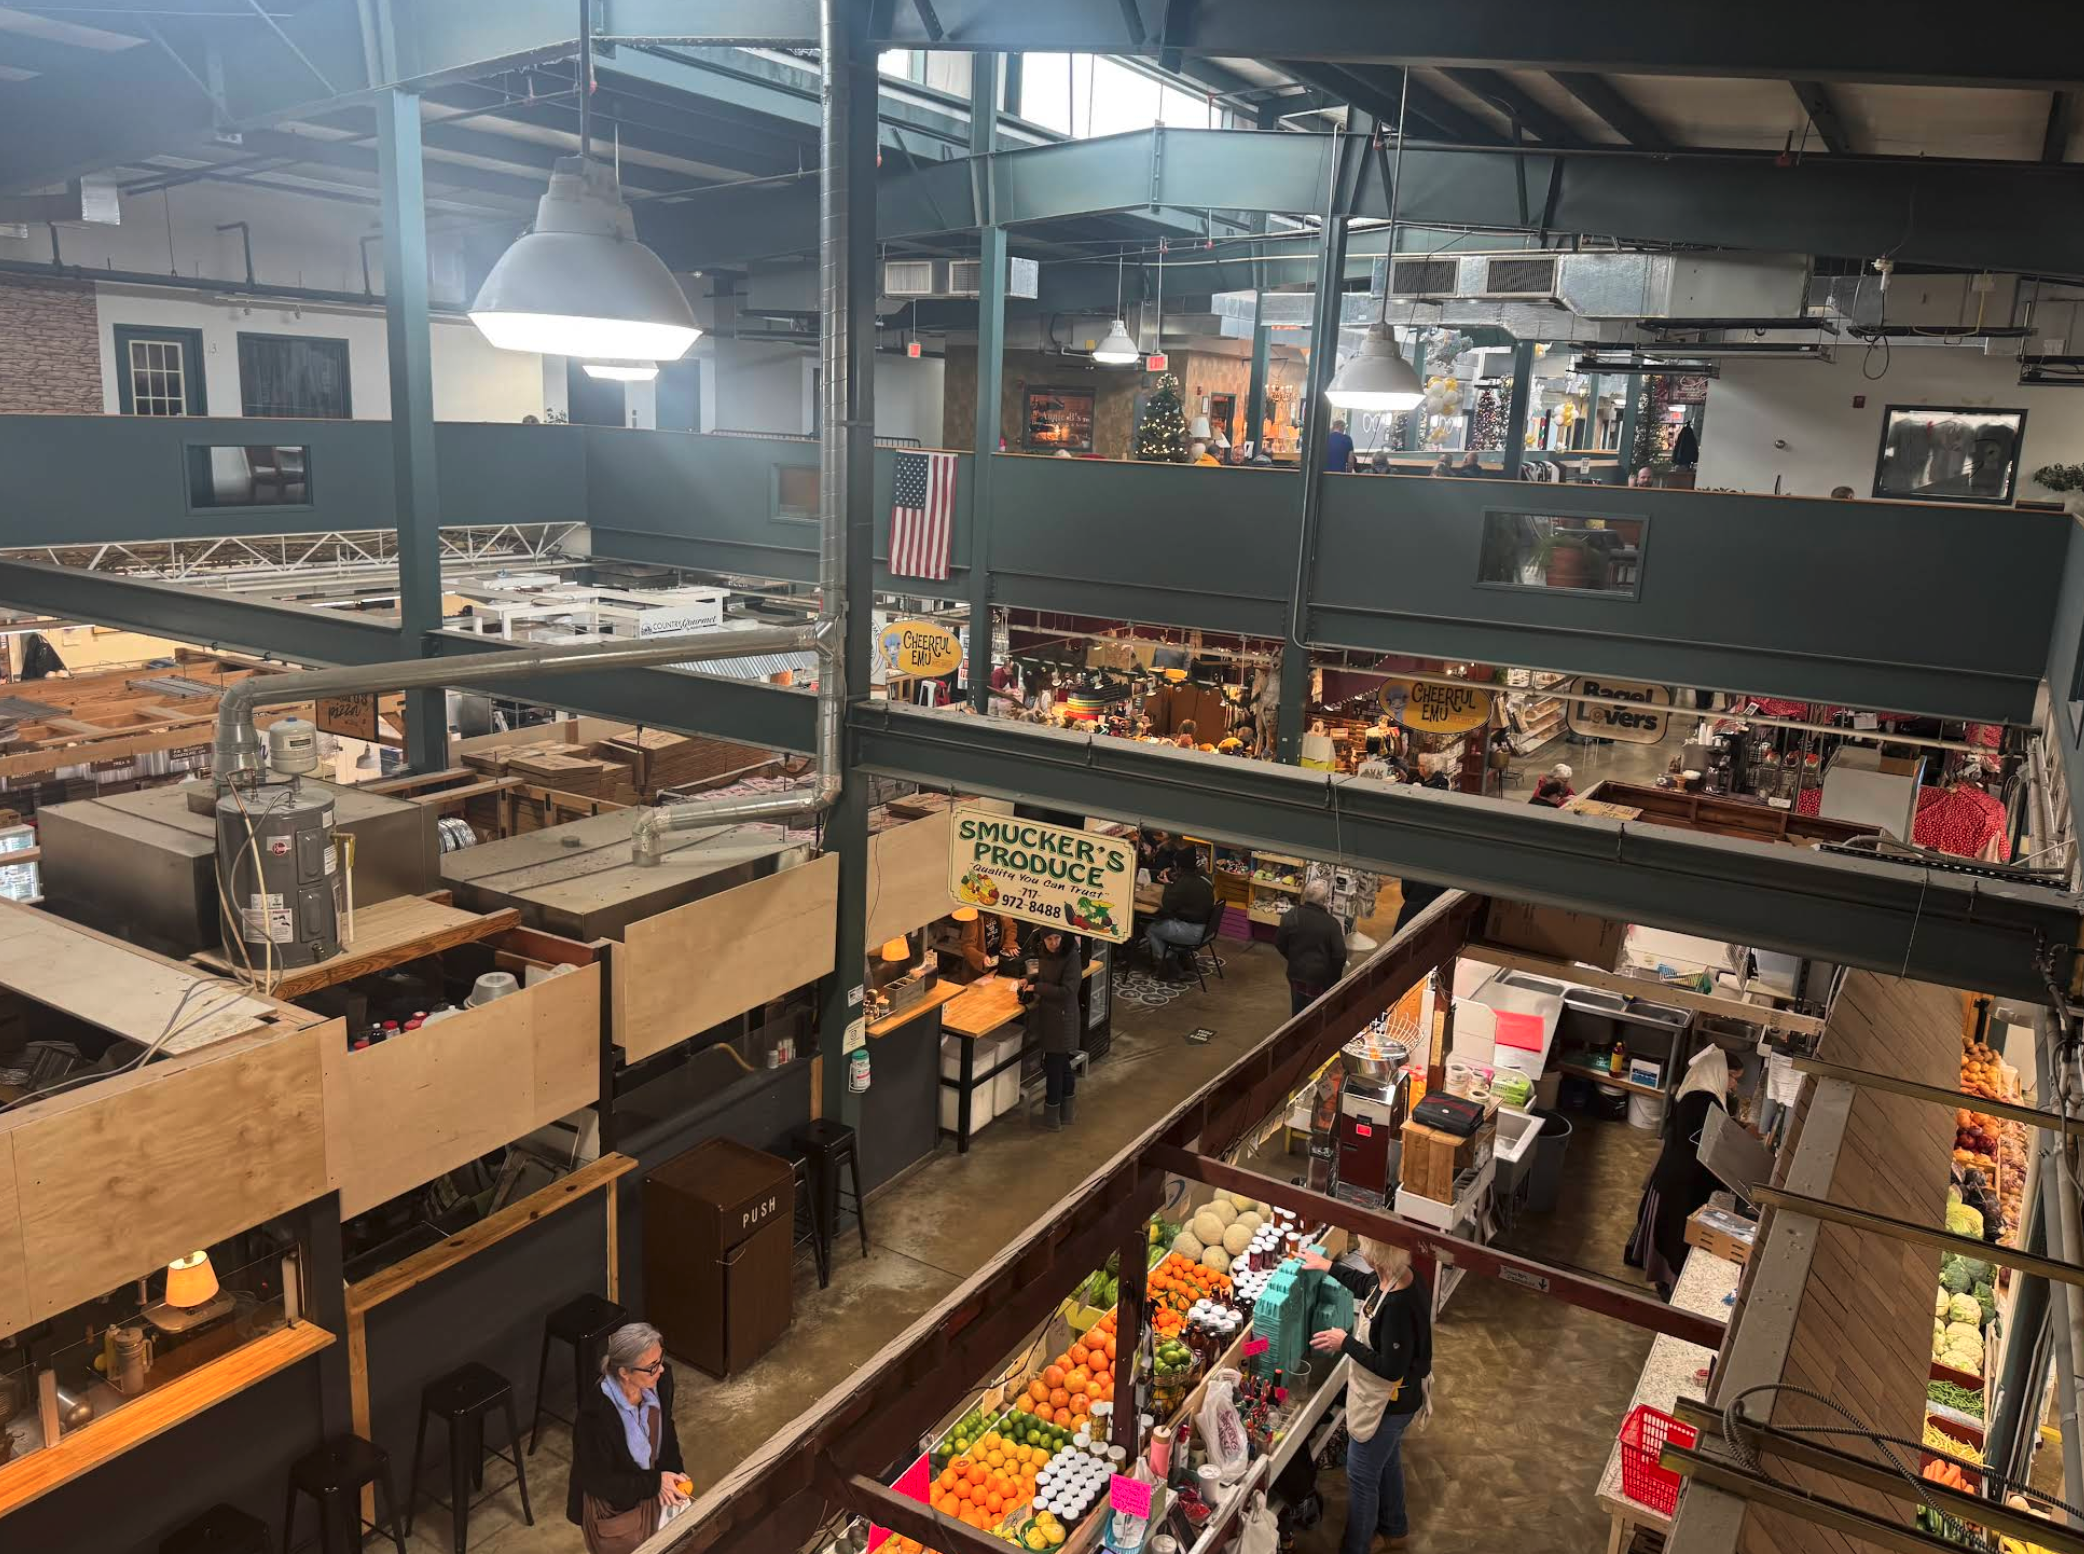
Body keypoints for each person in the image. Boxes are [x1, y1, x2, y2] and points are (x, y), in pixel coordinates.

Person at [1301, 1237, 1433, 1552]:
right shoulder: (1396, 1276)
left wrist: (1344, 1342)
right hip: (1395, 1400)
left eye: (1364, 1250)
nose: (1363, 1255)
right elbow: (1365, 1286)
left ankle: (1356, 1546)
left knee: (1361, 1477)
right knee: (1385, 1461)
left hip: (1390, 1403)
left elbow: (1390, 1368)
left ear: (1377, 1258)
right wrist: (1328, 1266)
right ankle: (1394, 1528)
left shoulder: (1399, 1306)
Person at [1625, 1045, 1744, 1297]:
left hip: (1676, 1175)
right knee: (1674, 1235)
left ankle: (1666, 1279)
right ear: (1719, 1072)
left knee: (1670, 1231)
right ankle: (1668, 1284)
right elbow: (1702, 1144)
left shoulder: (1696, 1092)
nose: (1733, 1085)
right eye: (1733, 1077)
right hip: (1682, 1182)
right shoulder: (1703, 1101)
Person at [568, 1322, 689, 1554]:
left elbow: (666, 1430)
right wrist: (655, 1483)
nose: (661, 1370)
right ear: (624, 1373)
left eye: (661, 1360)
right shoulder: (595, 1416)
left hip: (649, 1490)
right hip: (618, 1512)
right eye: (652, 1367)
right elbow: (599, 1481)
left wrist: (674, 1473)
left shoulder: (659, 1382)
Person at [1023, 927, 1083, 1128]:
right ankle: (1065, 1114)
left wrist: (1036, 988)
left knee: (1055, 1067)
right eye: (1049, 939)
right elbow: (1042, 974)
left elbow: (1068, 990)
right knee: (1062, 1065)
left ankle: (1052, 1116)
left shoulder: (1071, 957)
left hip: (1062, 1019)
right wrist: (1029, 980)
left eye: (1057, 938)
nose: (1054, 943)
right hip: (1050, 1017)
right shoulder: (1044, 953)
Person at [1275, 879, 1347, 1015]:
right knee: (1316, 1014)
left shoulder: (1291, 915)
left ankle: (1296, 1032)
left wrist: (1293, 958)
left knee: (1297, 1011)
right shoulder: (1331, 924)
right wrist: (1333, 978)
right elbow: (1340, 956)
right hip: (1320, 979)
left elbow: (1279, 943)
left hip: (1296, 973)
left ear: (1305, 895)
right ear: (1325, 900)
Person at [1145, 850, 1215, 980]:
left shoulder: (1185, 883)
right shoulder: (1205, 880)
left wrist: (1167, 886)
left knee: (1152, 929)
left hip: (1192, 932)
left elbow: (1167, 904)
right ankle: (1183, 959)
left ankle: (1169, 965)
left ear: (1180, 866)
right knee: (1165, 923)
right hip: (1206, 930)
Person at [957, 910, 1021, 980]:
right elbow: (966, 947)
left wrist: (1009, 943)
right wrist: (981, 958)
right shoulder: (973, 918)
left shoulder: (1001, 912)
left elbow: (1011, 927)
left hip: (998, 963)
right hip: (978, 970)